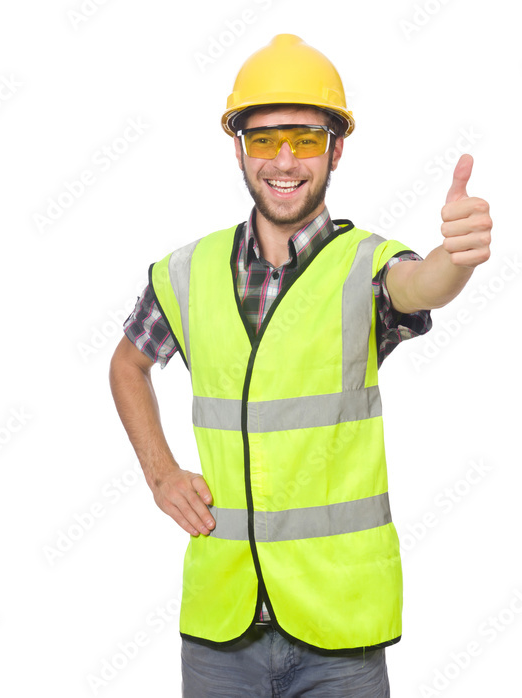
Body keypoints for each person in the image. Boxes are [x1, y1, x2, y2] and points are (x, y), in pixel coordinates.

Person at [109, 34, 491, 697]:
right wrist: (160, 473)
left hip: (338, 632)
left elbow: (420, 284)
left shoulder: (364, 268)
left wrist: (454, 258)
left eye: (306, 140)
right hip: (221, 630)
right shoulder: (186, 272)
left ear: (336, 149)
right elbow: (127, 365)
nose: (284, 161)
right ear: (238, 148)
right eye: (264, 140)